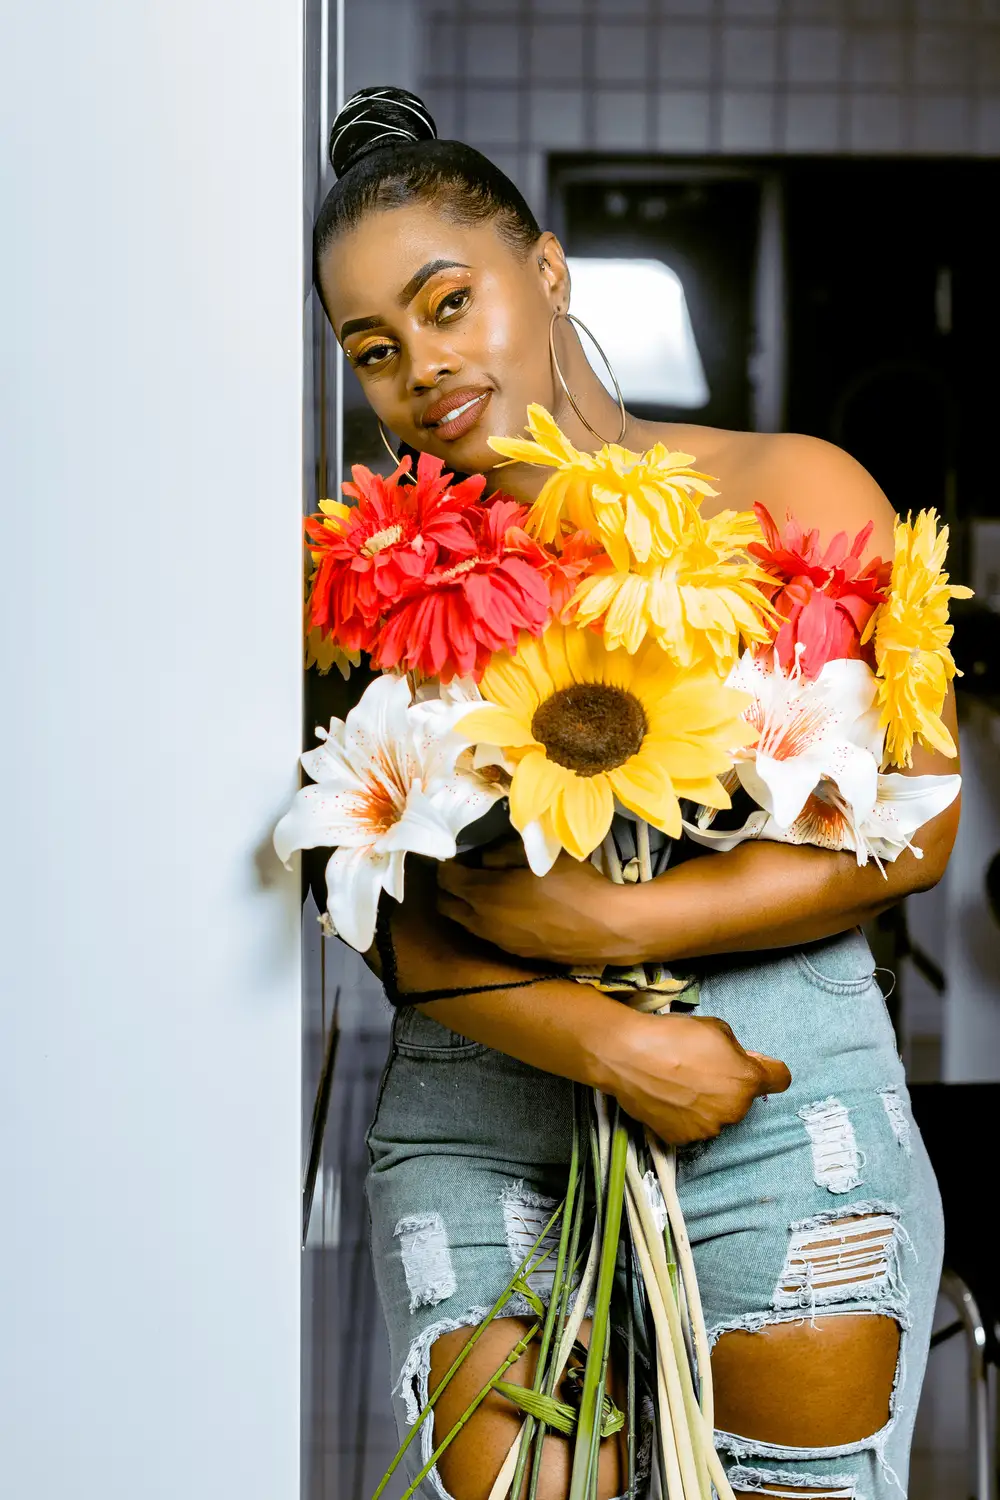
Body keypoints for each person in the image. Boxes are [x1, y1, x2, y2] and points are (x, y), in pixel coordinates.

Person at [313, 86, 956, 1500]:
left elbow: (912, 826)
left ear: (545, 272)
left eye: (446, 302)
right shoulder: (379, 582)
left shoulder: (794, 489)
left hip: (782, 1109)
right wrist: (616, 1044)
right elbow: (381, 917)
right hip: (481, 1118)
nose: (420, 365)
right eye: (375, 346)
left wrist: (601, 937)